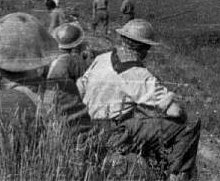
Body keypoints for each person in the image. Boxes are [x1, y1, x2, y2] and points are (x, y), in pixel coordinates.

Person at [76, 19, 200, 181]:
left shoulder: (102, 58)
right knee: (190, 123)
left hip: (88, 127)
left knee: (144, 120)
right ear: (144, 48)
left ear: (123, 40)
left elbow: (80, 87)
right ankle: (177, 176)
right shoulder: (137, 72)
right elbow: (174, 111)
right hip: (113, 133)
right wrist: (180, 114)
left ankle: (158, 168)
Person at [47, 22, 91, 130]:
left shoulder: (51, 58)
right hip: (67, 106)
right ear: (76, 44)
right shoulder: (74, 60)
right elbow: (84, 85)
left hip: (49, 102)